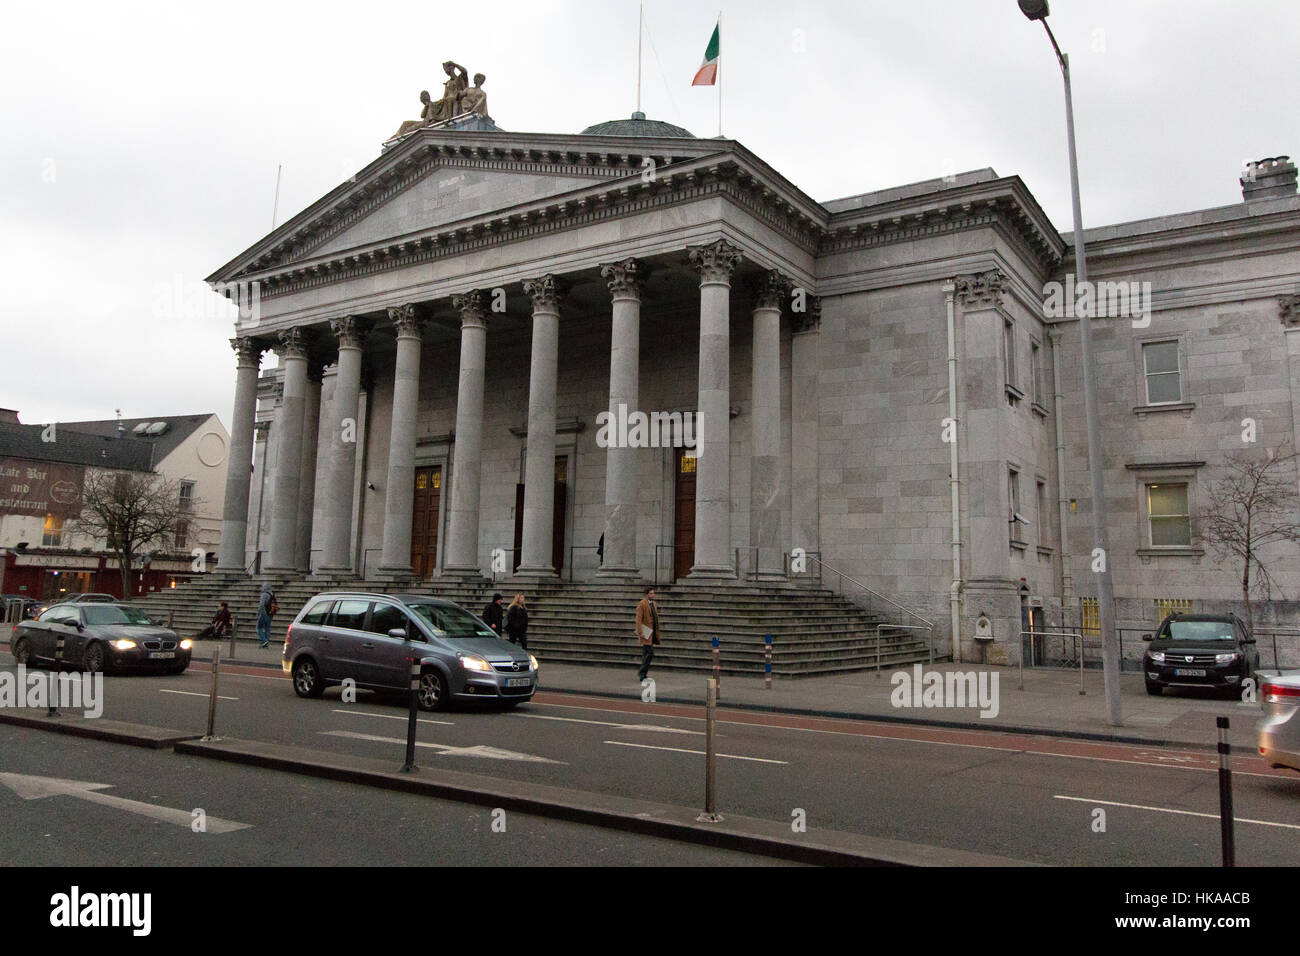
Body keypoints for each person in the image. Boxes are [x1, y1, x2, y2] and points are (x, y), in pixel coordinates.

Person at [635, 586, 660, 682]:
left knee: (646, 654)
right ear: (646, 595)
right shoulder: (642, 604)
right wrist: (640, 632)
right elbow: (638, 619)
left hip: (653, 632)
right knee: (650, 653)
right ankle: (642, 672)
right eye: (651, 593)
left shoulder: (654, 603)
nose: (653, 595)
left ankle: (643, 674)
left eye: (653, 593)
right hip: (646, 632)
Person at [257, 582, 276, 649]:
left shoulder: (264, 594)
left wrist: (259, 613)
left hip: (264, 613)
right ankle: (266, 642)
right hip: (270, 613)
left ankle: (264, 641)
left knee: (259, 627)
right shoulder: (272, 594)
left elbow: (262, 605)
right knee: (267, 628)